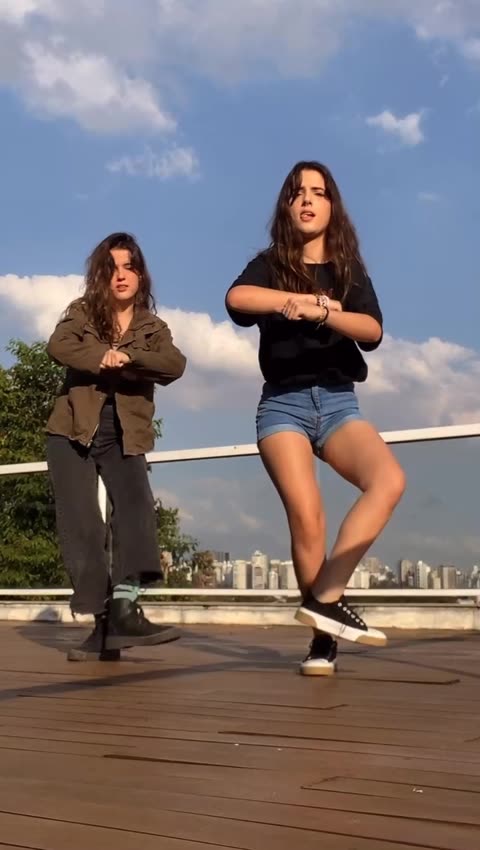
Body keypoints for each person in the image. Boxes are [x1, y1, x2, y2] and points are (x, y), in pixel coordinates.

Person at [226, 161, 405, 676]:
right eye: (298, 192)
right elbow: (237, 299)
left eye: (318, 192)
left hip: (339, 403)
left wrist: (324, 312)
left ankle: (326, 598)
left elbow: (371, 330)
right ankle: (322, 642)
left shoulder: (349, 270)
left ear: (332, 206)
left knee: (388, 481)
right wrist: (296, 300)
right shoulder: (270, 264)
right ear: (287, 206)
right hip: (282, 406)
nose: (307, 200)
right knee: (308, 518)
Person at [46, 232, 186, 661]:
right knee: (83, 525)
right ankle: (104, 625)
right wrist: (100, 356)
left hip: (125, 431)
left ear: (141, 275)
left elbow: (174, 364)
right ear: (100, 276)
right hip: (72, 429)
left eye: (129, 267)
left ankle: (125, 605)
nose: (121, 276)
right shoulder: (81, 312)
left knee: (137, 509)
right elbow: (59, 346)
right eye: (111, 268)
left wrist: (130, 358)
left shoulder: (152, 327)